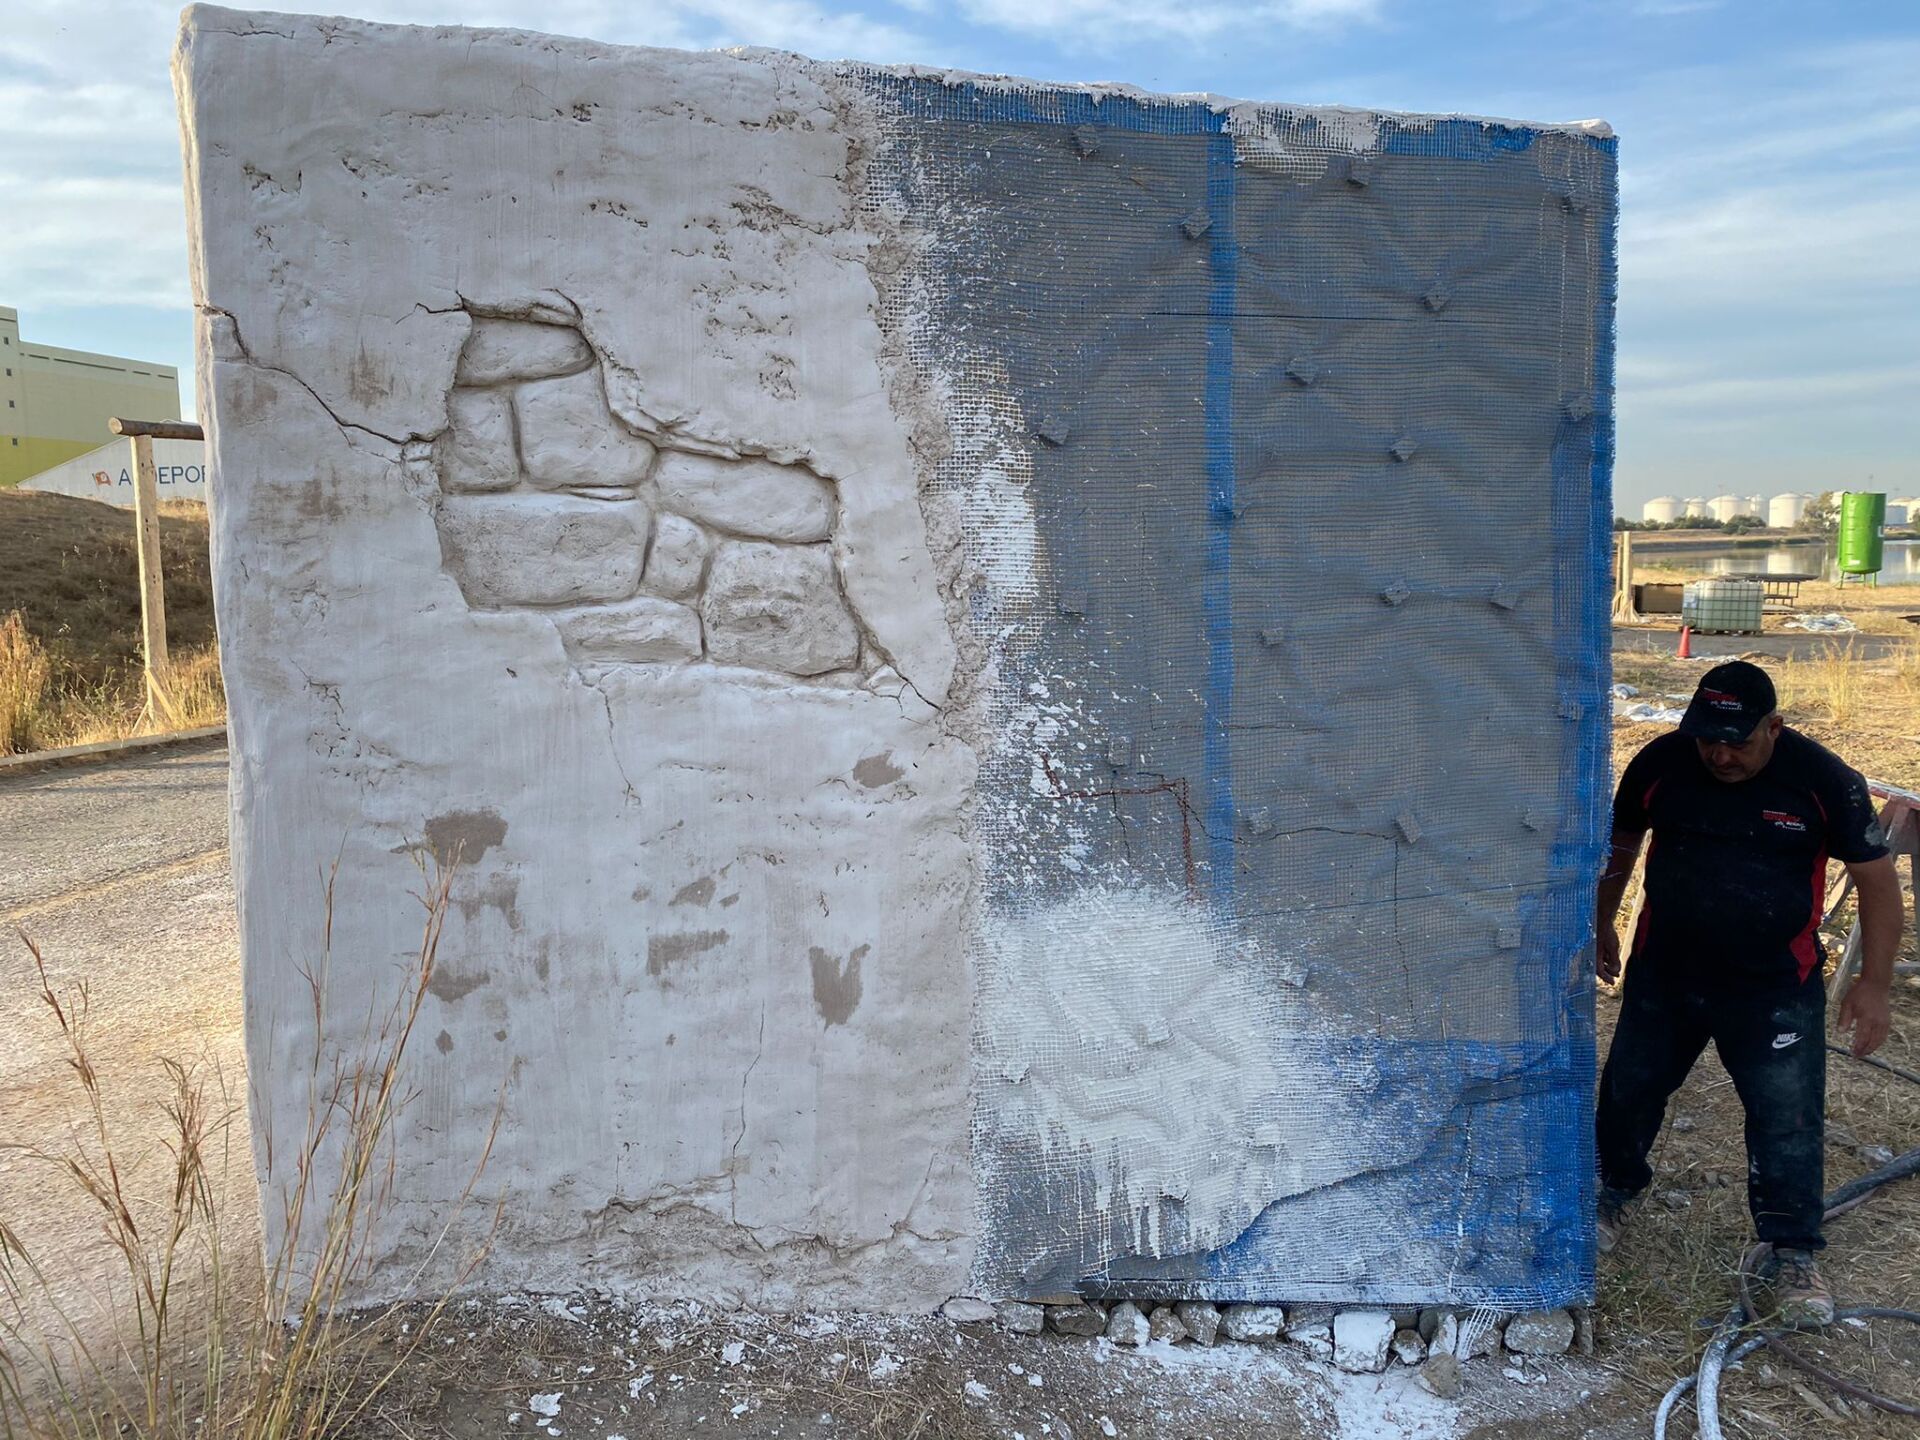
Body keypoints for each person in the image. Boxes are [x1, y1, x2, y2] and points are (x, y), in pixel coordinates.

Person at [1593, 660, 1905, 1327]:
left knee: (1786, 1119)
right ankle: (1610, 1193)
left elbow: (1878, 884)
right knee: (1629, 1089)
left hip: (1773, 989)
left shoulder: (1824, 782)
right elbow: (1619, 846)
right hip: (1665, 972)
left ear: (1775, 726)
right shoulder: (1661, 763)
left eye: (1737, 739)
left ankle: (1792, 1251)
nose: (1720, 753)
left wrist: (1875, 984)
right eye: (1708, 737)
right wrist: (1600, 924)